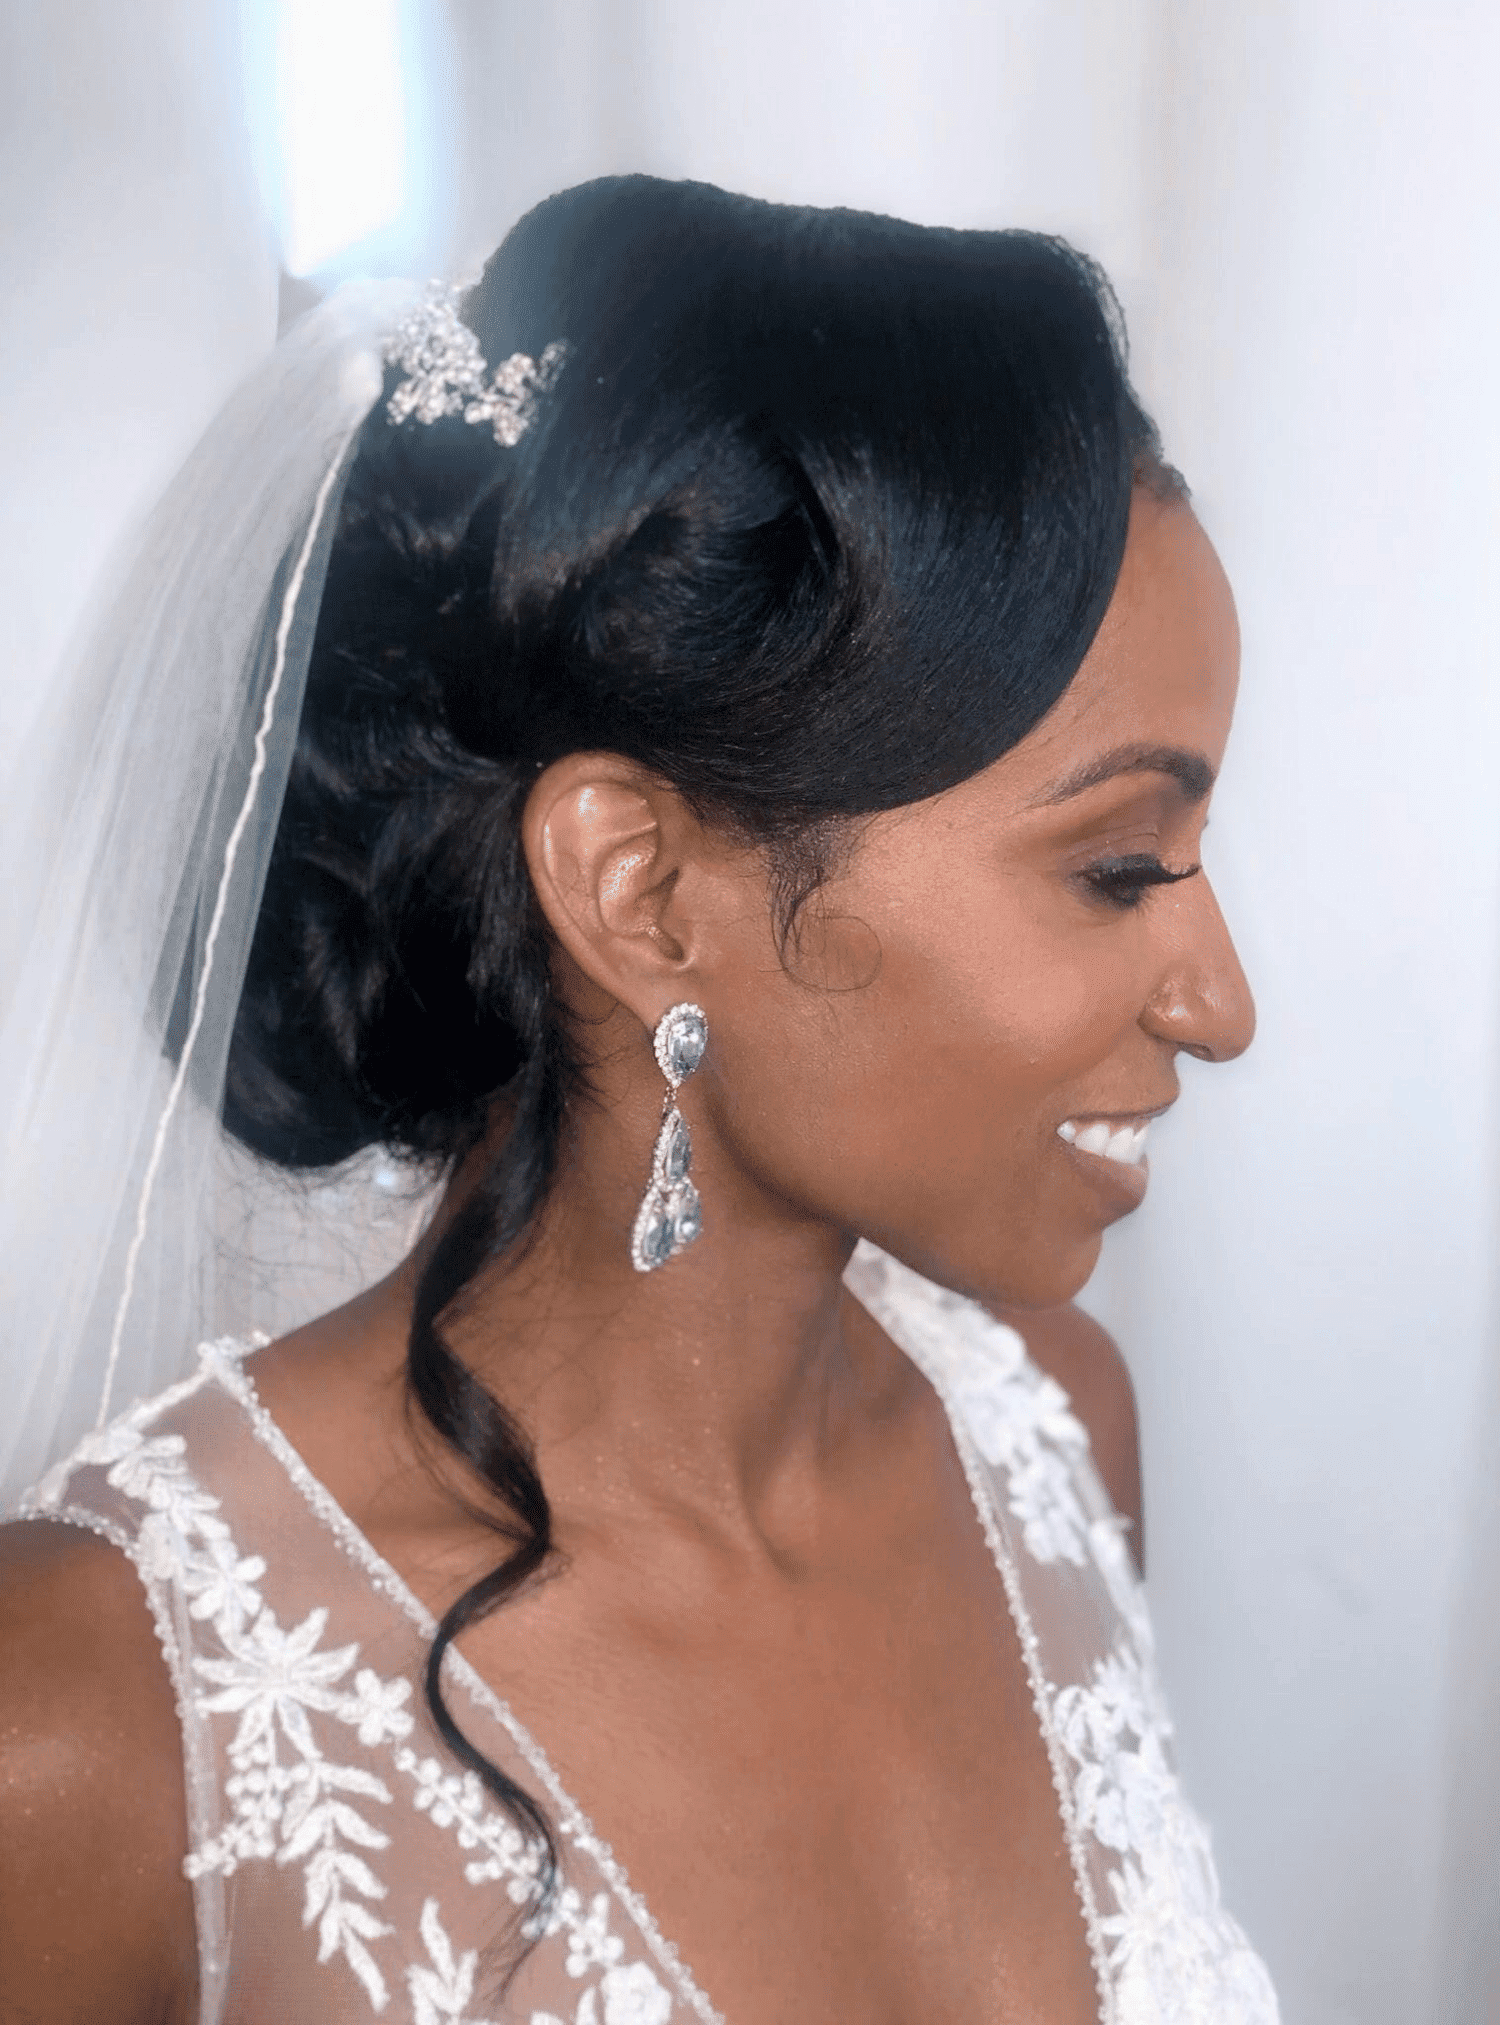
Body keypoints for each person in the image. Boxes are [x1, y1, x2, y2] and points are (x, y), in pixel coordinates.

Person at [0, 176, 1278, 2023]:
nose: (1223, 1003)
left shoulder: (1058, 1442)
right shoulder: (94, 1713)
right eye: (1119, 867)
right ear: (644, 891)